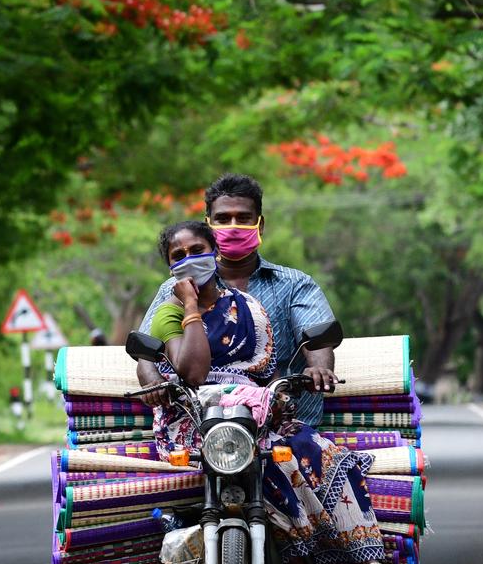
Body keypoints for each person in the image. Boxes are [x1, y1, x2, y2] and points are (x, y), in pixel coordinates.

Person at [148, 221, 411, 564]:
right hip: (197, 420)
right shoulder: (169, 312)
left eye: (196, 249)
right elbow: (194, 372)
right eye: (177, 256)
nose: (189, 261)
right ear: (168, 266)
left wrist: (280, 393)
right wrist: (190, 307)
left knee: (315, 449)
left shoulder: (249, 308)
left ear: (214, 251)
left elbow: (262, 370)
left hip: (254, 412)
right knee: (269, 462)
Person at [138, 174, 337, 427]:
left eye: (243, 218)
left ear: (260, 225)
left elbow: (316, 339)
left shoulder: (295, 284)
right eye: (222, 219)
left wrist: (318, 368)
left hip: (282, 422)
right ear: (209, 228)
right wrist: (153, 382)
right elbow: (148, 350)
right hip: (200, 424)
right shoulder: (175, 291)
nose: (233, 226)